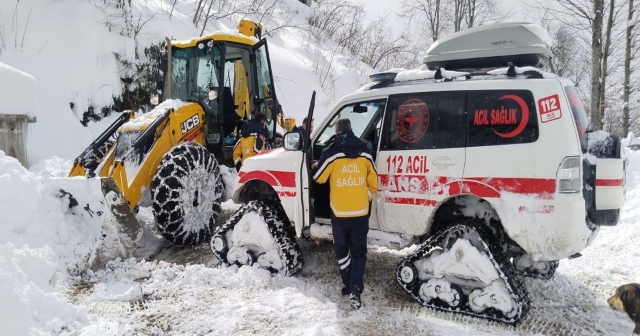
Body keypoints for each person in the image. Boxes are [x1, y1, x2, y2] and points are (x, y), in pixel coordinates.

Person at [311, 118, 378, 309]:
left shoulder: (331, 152)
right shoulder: (365, 151)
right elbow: (374, 183)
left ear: (337, 131)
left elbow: (319, 178)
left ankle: (348, 285)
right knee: (359, 251)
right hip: (360, 212)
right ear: (351, 129)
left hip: (339, 213)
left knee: (341, 250)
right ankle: (355, 286)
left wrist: (316, 164)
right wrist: (364, 195)